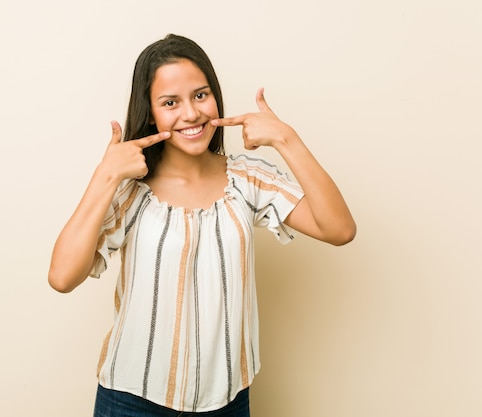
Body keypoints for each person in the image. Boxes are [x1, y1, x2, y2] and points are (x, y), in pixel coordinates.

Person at [48, 34, 356, 416]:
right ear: (150, 113)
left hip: (227, 401)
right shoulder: (130, 190)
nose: (191, 114)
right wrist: (105, 176)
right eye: (170, 103)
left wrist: (286, 139)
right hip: (132, 400)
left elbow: (339, 229)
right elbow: (62, 277)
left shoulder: (247, 179)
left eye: (200, 95)